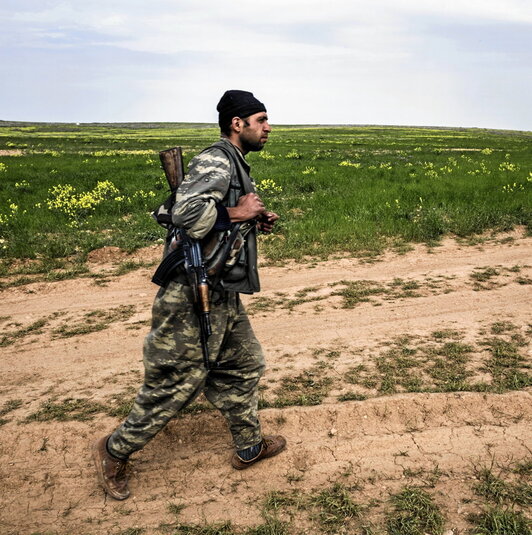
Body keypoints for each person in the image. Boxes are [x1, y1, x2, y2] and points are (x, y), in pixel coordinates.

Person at [92, 90, 286, 501]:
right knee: (176, 381)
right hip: (191, 294)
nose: (268, 127)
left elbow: (214, 215)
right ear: (238, 123)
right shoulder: (216, 159)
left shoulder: (234, 163)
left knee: (245, 364)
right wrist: (238, 213)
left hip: (220, 291)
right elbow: (185, 213)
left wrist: (252, 218)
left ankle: (249, 447)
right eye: (261, 119)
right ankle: (114, 451)